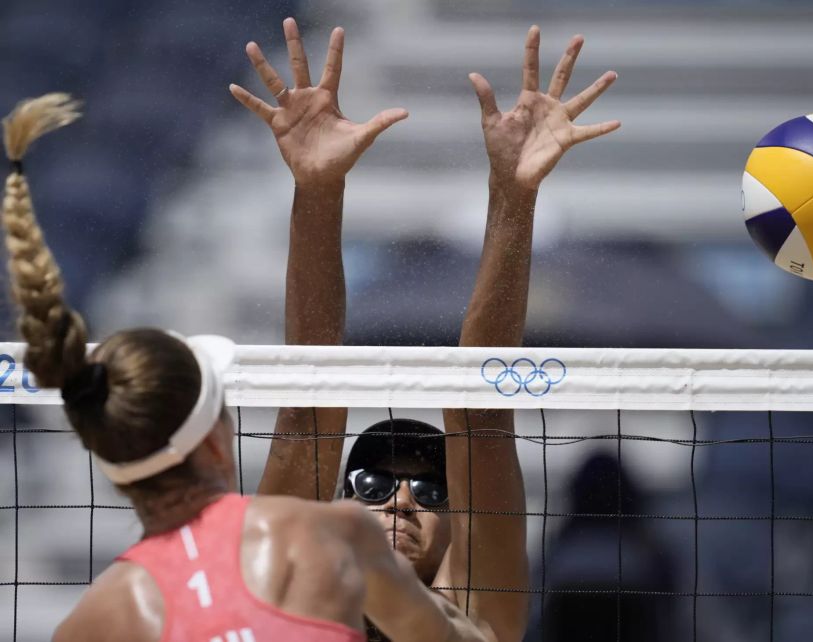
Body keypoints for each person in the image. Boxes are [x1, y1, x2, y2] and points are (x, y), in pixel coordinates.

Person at [2, 96, 487, 642]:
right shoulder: (333, 540)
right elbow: (312, 396)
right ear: (214, 440)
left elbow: (311, 403)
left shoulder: (96, 622)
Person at [231, 19, 620, 642]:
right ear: (337, 512)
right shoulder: (290, 602)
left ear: (457, 521)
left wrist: (513, 194)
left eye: (432, 489)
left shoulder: (477, 616)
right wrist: (318, 190)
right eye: (373, 482)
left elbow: (480, 414)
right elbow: (308, 404)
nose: (402, 499)